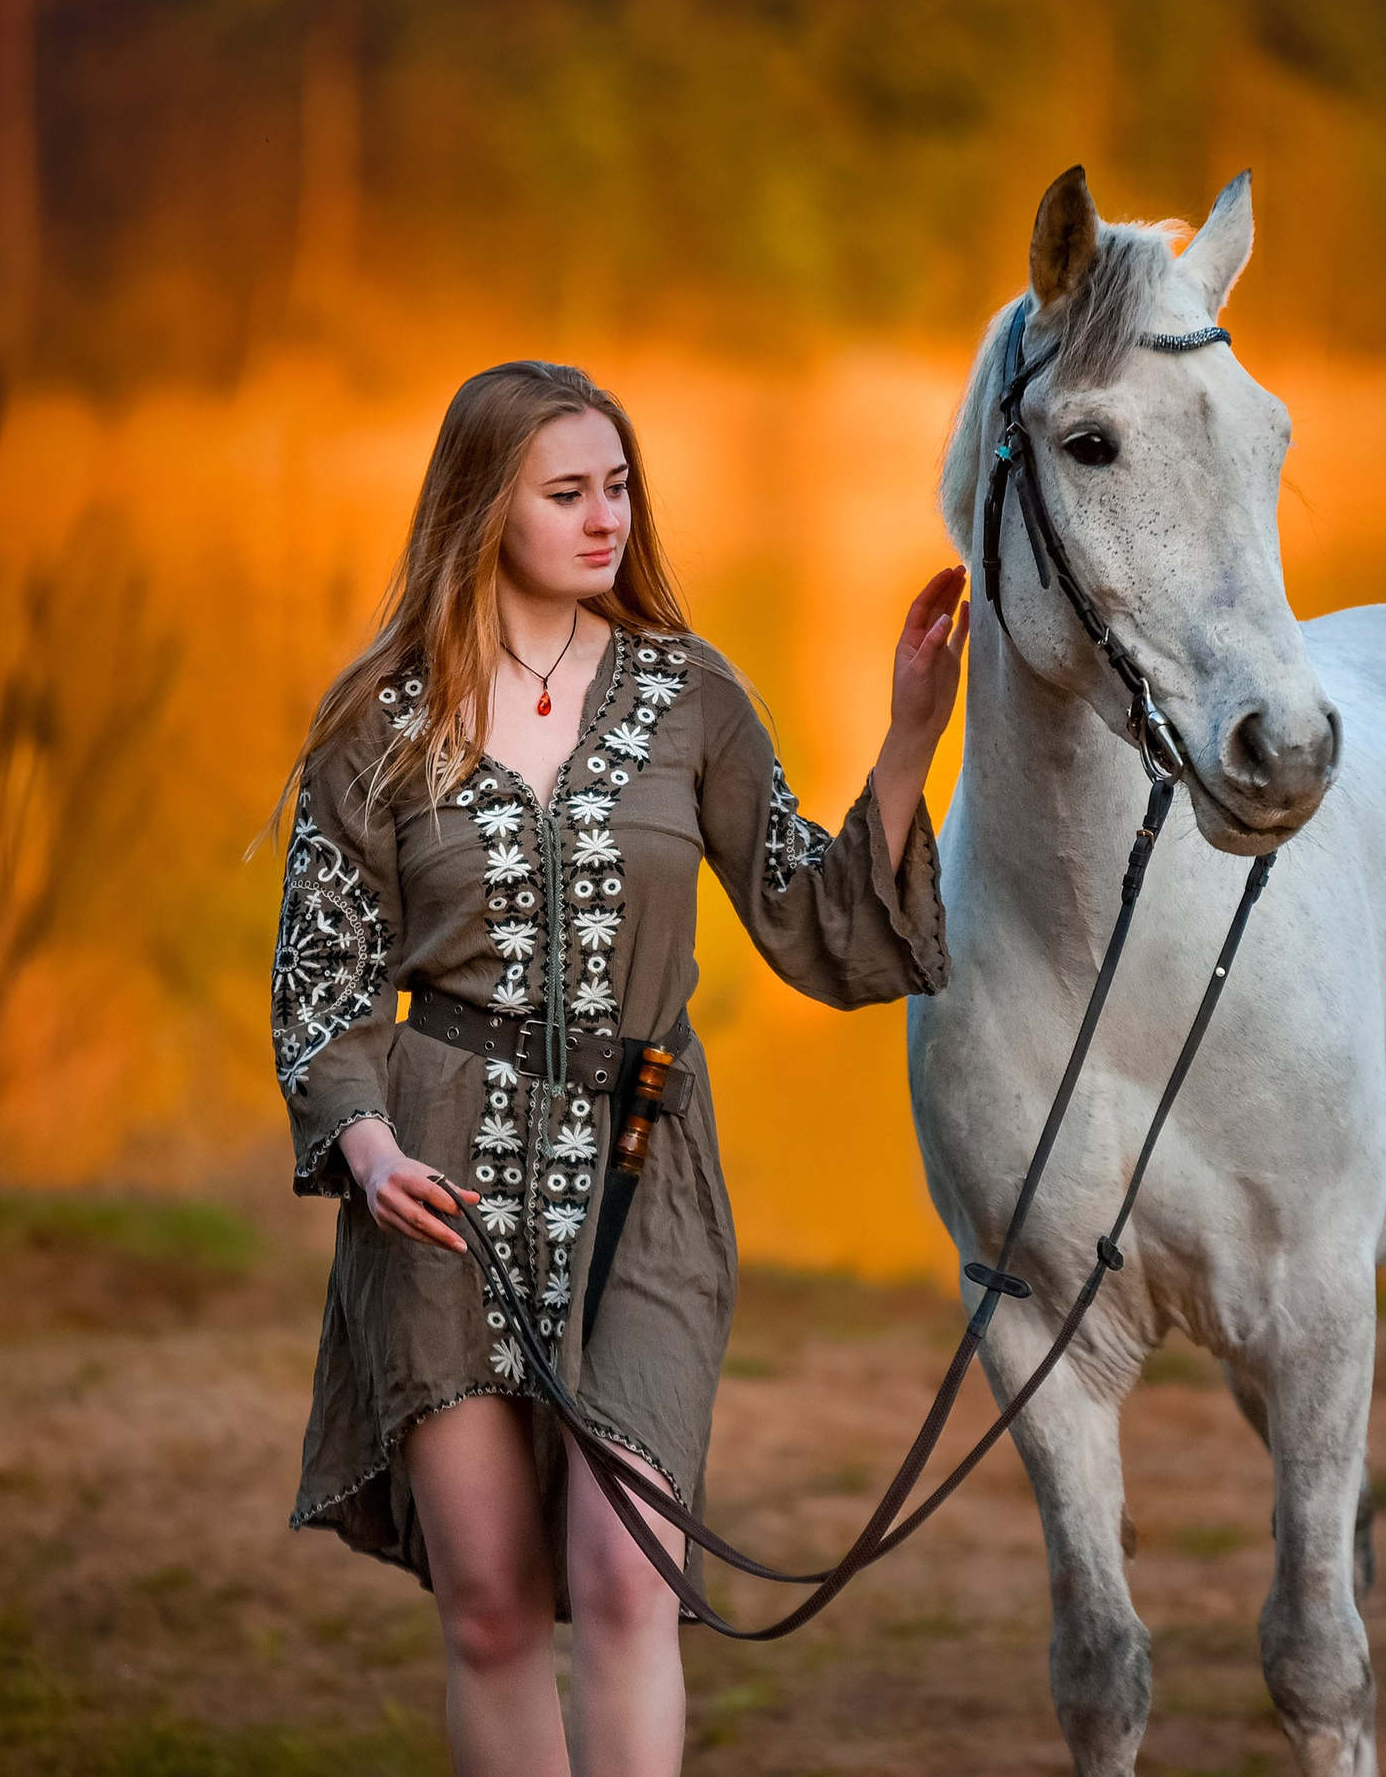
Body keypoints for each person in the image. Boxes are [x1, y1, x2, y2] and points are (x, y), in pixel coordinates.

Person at [269, 359, 965, 1774]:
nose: (608, 519)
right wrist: (368, 1146)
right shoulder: (379, 724)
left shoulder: (689, 697)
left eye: (620, 486)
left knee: (629, 1578)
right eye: (568, 491)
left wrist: (907, 737)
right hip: (437, 1184)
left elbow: (816, 923)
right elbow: (325, 975)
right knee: (492, 1607)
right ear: (483, 508)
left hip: (645, 1169)